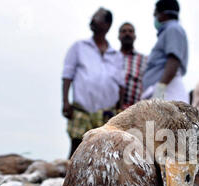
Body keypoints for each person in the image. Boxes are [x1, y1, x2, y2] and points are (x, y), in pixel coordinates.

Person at [61, 8, 125, 159]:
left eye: (97, 18)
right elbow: (67, 75)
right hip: (81, 110)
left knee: (103, 154)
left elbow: (121, 85)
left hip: (106, 114)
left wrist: (119, 108)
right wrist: (65, 102)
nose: (92, 21)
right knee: (76, 150)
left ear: (107, 25)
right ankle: (70, 181)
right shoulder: (79, 47)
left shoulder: (116, 56)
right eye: (93, 17)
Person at [141, 0, 189, 103]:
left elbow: (173, 61)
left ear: (163, 14)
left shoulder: (173, 29)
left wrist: (160, 89)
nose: (155, 18)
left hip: (167, 91)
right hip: (163, 92)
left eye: (155, 14)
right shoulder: (169, 31)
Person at [118, 22, 148, 110]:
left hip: (136, 113)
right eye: (124, 31)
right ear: (119, 36)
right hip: (112, 113)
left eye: (130, 31)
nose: (127, 33)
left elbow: (148, 85)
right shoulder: (112, 58)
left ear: (135, 36)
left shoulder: (144, 59)